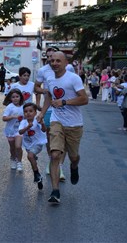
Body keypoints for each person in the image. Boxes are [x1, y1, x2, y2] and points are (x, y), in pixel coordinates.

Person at [37, 51, 88, 204]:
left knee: (73, 157)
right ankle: (55, 191)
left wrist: (65, 102)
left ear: (66, 63)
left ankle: (74, 166)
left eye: (58, 61)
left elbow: (84, 99)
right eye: (52, 60)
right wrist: (42, 113)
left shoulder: (73, 78)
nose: (54, 63)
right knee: (54, 155)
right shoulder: (50, 79)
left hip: (74, 124)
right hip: (56, 121)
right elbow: (49, 97)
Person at [34, 48, 75, 179]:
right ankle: (53, 160)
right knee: (50, 137)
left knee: (62, 138)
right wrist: (46, 91)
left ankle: (59, 166)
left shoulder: (69, 69)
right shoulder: (42, 70)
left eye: (56, 58)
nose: (53, 61)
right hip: (49, 108)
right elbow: (36, 87)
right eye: (50, 58)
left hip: (64, 109)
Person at [18, 102, 47, 190]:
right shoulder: (23, 122)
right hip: (28, 145)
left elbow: (44, 130)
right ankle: (39, 178)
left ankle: (36, 174)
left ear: (35, 113)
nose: (28, 113)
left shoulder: (37, 120)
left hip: (37, 143)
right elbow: (20, 132)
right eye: (26, 111)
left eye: (31, 111)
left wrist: (42, 123)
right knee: (31, 157)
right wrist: (27, 127)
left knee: (30, 156)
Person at [2, 89, 24, 171]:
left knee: (18, 146)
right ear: (10, 98)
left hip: (19, 130)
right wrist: (13, 117)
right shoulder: (9, 107)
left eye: (17, 96)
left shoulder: (23, 106)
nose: (15, 98)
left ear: (20, 97)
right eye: (13, 97)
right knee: (12, 147)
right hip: (10, 130)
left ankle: (19, 162)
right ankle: (13, 158)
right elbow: (4, 118)